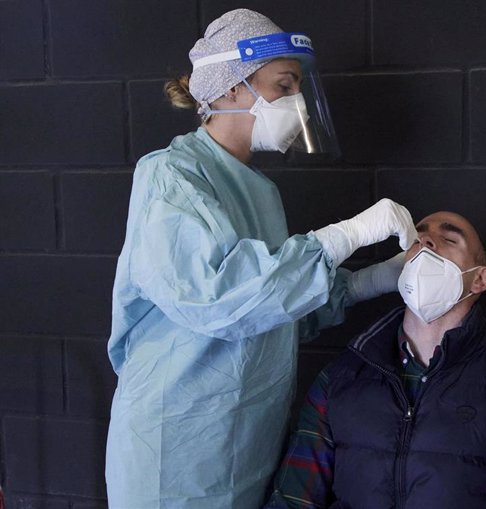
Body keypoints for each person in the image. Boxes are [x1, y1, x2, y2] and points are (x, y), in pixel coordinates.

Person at [105, 9, 416, 509]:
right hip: (175, 450)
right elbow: (219, 297)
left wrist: (375, 280)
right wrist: (350, 234)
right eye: (284, 86)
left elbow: (274, 310)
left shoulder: (260, 193)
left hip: (246, 445)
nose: (298, 106)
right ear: (229, 89)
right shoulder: (171, 179)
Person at [266, 211, 486, 509]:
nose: (427, 241)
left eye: (449, 238)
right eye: (419, 235)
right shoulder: (339, 379)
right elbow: (292, 499)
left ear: (479, 280)